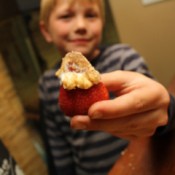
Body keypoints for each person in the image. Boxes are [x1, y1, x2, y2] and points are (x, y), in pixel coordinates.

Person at [38, 0, 175, 174]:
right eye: (66, 16)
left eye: (91, 15)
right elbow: (59, 151)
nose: (81, 25)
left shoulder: (124, 58)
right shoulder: (47, 84)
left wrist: (168, 109)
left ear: (102, 23)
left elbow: (157, 111)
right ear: (46, 31)